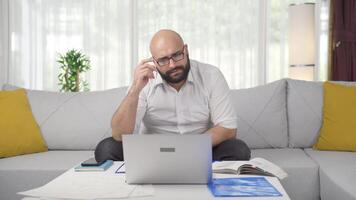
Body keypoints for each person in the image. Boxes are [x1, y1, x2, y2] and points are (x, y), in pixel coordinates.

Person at [95, 29, 251, 162]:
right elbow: (119, 134)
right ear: (154, 62)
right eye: (163, 60)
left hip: (199, 150)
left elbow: (228, 129)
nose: (172, 65)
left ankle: (200, 176)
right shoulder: (144, 80)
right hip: (152, 153)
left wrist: (185, 148)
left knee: (238, 149)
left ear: (186, 50)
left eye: (177, 55)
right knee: (107, 148)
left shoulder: (211, 75)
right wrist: (135, 89)